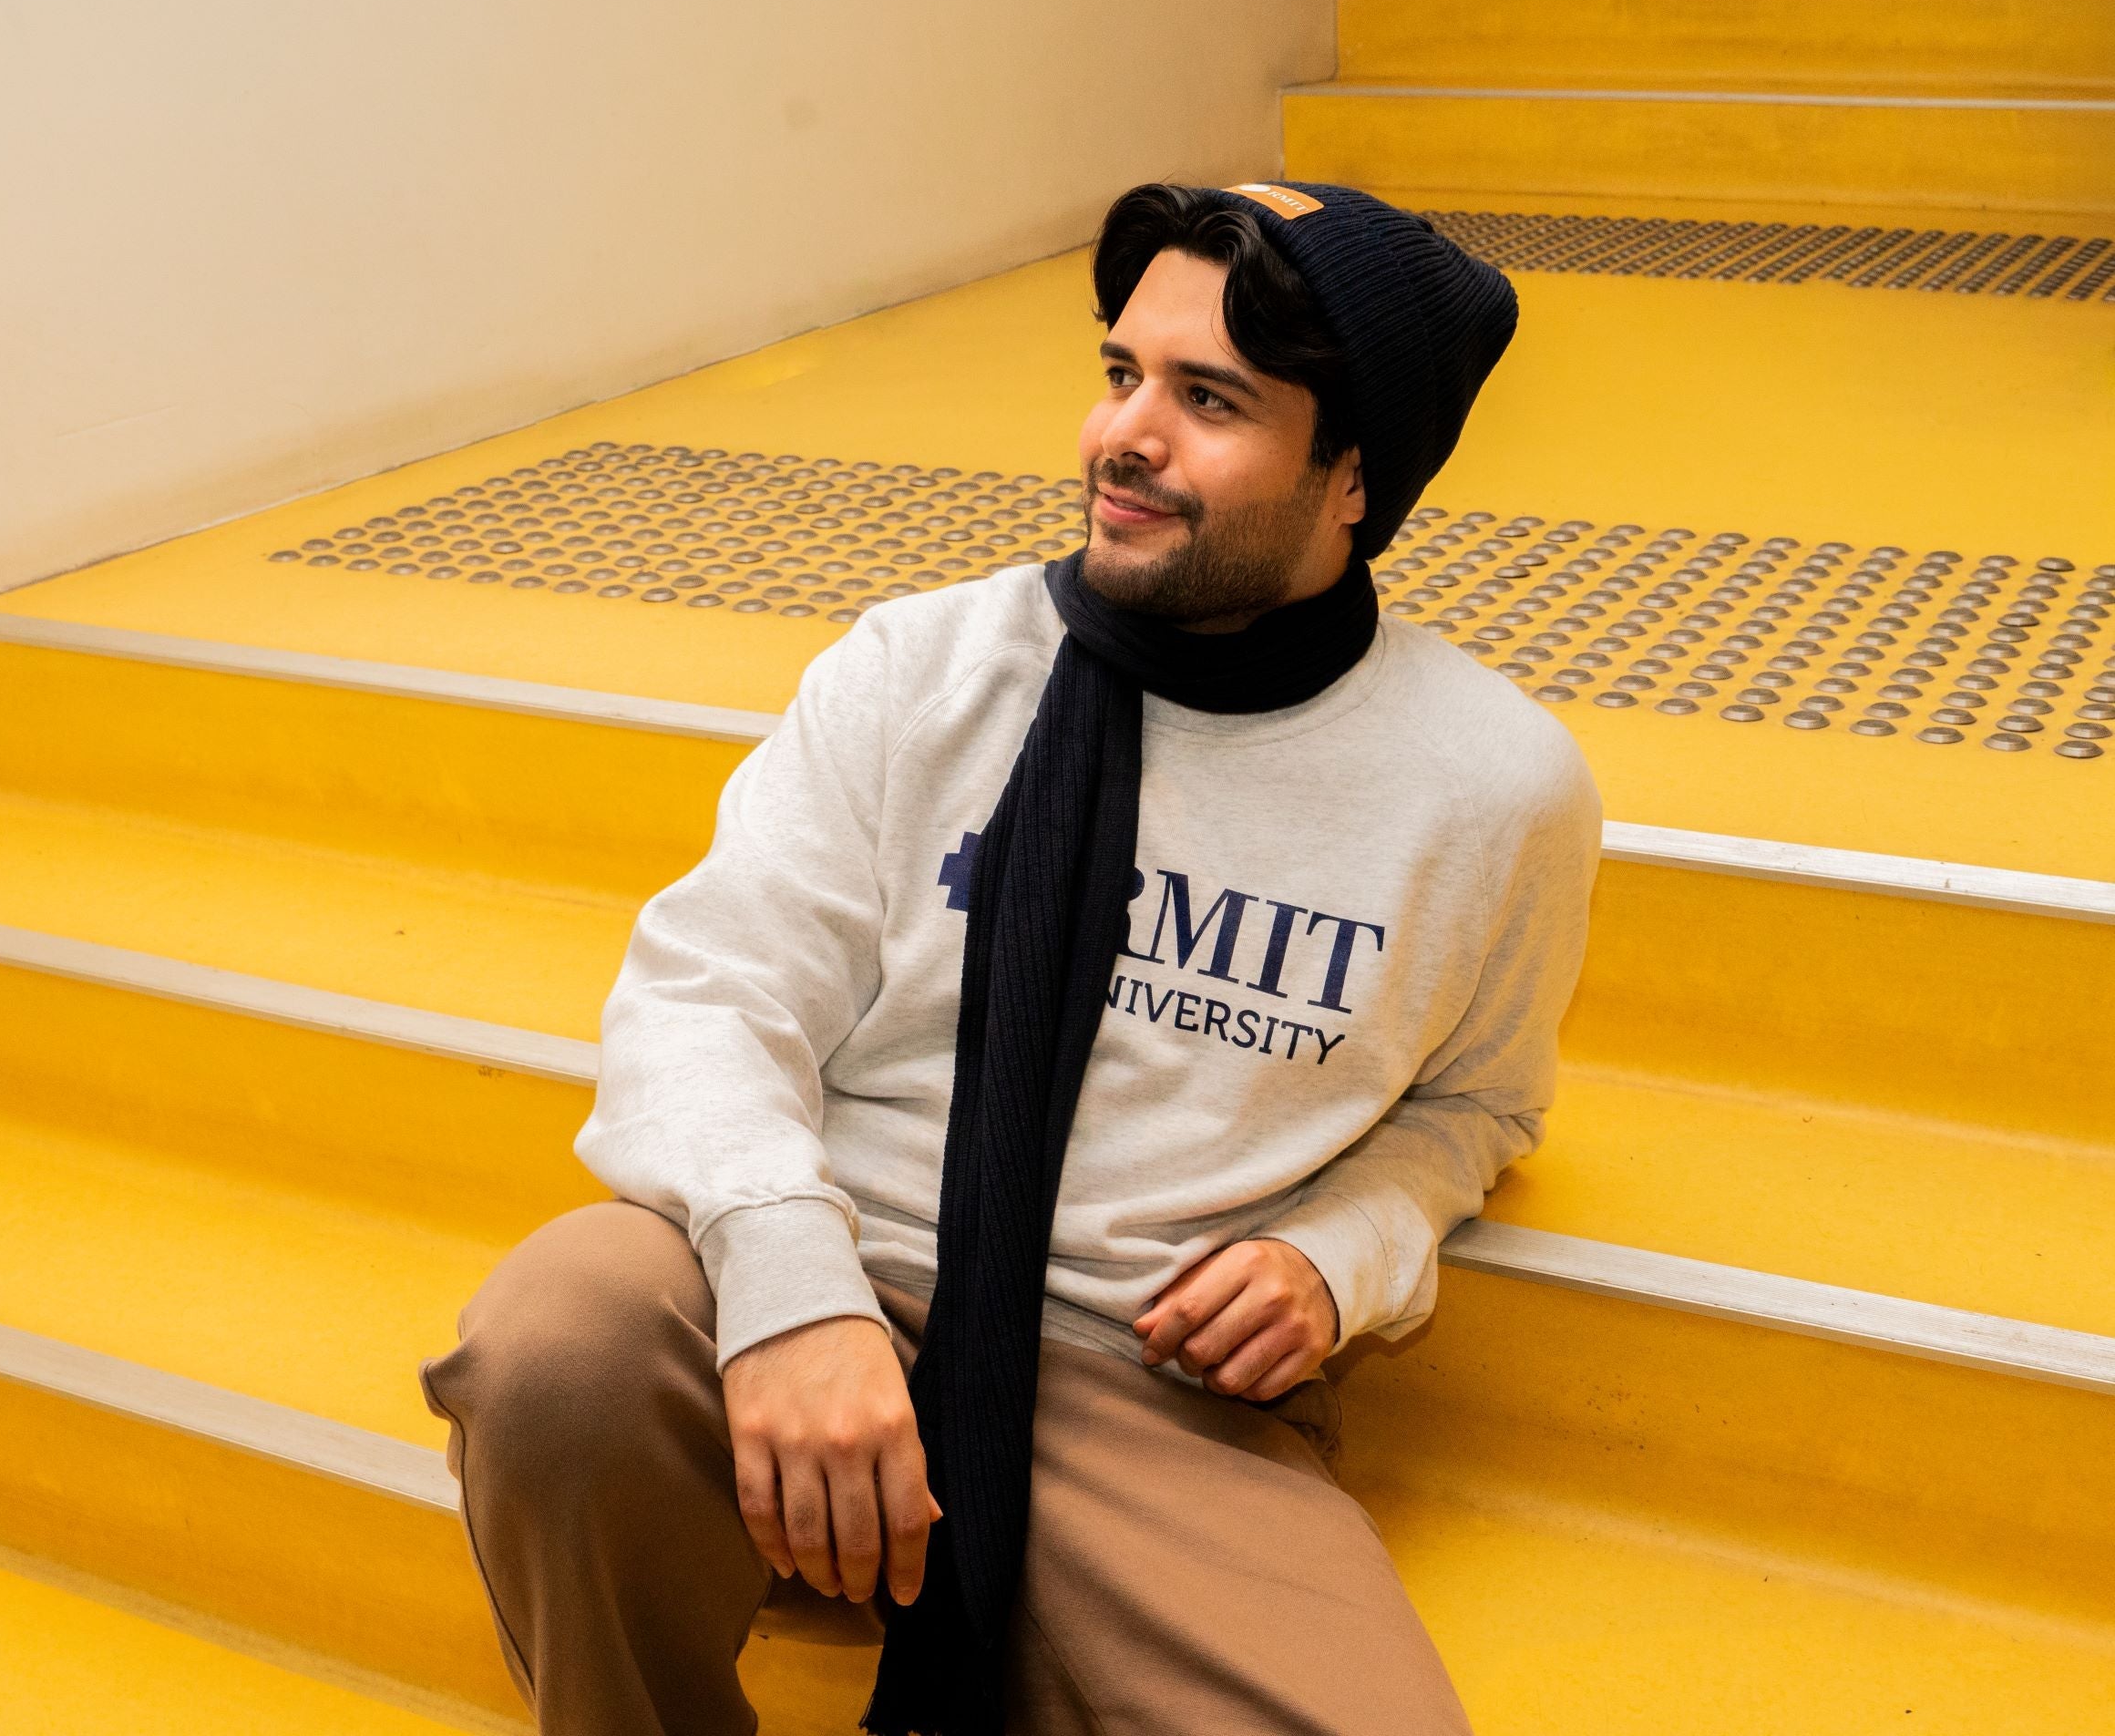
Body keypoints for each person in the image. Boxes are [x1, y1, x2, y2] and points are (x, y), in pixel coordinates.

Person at [420, 180, 1601, 1735]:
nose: (1125, 435)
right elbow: (714, 987)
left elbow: (1477, 1113)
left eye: (1210, 400)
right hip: (850, 1263)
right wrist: (790, 1283)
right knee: (561, 1343)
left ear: (1354, 475)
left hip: (1149, 1381)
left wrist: (1338, 1258)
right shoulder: (920, 669)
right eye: (1122, 374)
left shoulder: (1492, 789)